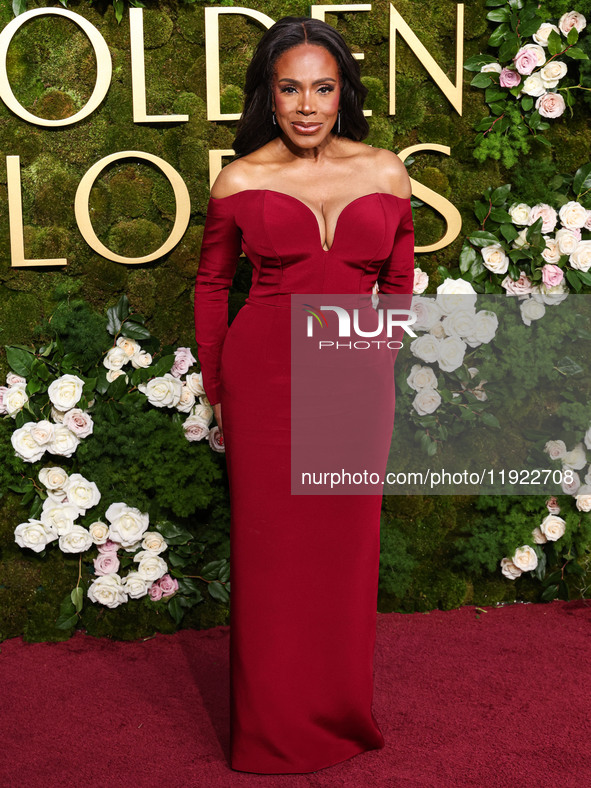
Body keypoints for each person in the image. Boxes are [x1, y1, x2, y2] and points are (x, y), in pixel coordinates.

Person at [194, 15, 415, 775]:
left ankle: (341, 711)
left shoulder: (386, 171)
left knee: (345, 554)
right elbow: (213, 283)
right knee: (271, 558)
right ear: (268, 94)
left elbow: (397, 278)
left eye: (322, 87)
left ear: (343, 91)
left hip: (354, 384)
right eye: (289, 88)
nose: (306, 104)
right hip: (266, 383)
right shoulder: (242, 178)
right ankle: (270, 729)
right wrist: (216, 385)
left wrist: (377, 357)